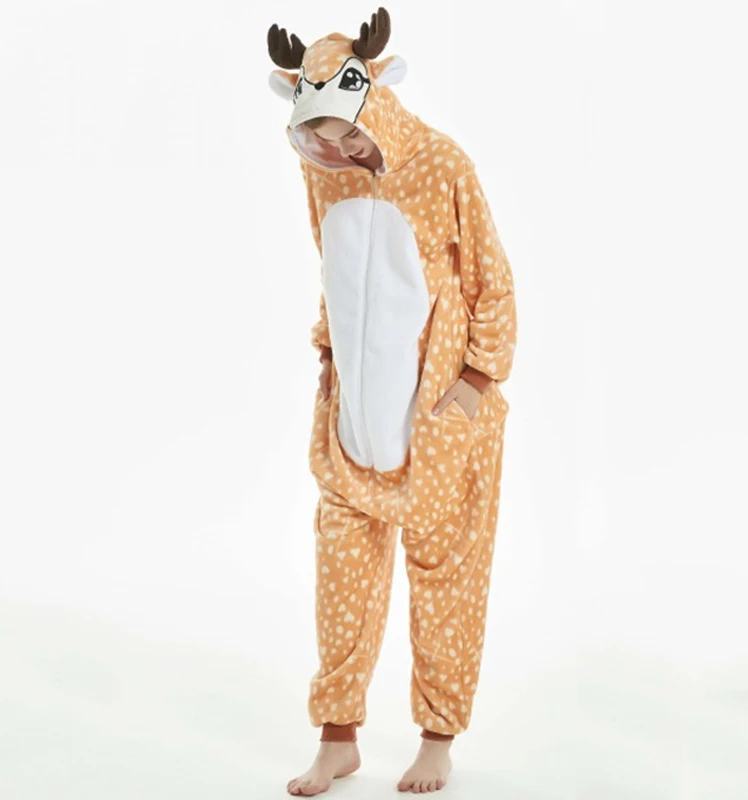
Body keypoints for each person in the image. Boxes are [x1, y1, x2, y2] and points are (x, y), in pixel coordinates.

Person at [267, 7, 517, 795]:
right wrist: (327, 354)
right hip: (352, 424)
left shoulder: (443, 165)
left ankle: (437, 739)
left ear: (376, 100)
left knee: (445, 579)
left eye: (347, 132)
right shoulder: (322, 172)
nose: (338, 150)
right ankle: (337, 739)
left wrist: (473, 387)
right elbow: (337, 268)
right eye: (320, 136)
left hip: (440, 423)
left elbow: (491, 283)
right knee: (341, 578)